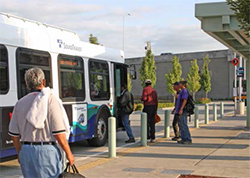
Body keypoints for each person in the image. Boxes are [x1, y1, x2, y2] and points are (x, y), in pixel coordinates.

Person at [8, 68, 75, 178]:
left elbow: (13, 134)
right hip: (47, 152)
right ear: (43, 82)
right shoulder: (51, 100)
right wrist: (69, 153)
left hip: (26, 151)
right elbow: (58, 133)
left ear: (27, 84)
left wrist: (20, 152)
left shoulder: (19, 103)